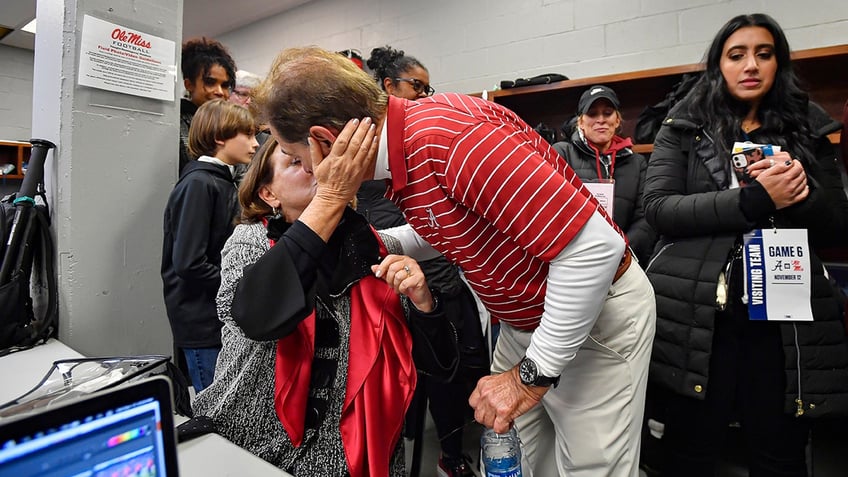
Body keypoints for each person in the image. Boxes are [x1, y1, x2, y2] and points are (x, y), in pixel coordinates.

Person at [253, 46, 656, 477]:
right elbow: (447, 221)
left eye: (298, 158)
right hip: (526, 321)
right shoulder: (408, 145)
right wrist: (381, 244)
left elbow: (593, 250)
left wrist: (530, 376)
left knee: (591, 468)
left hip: (591, 319)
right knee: (509, 461)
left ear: (325, 141)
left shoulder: (451, 140)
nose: (304, 169)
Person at [642, 13, 848, 476]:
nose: (750, 64)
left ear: (780, 64)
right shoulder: (684, 126)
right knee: (689, 452)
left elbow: (838, 224)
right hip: (698, 319)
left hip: (782, 322)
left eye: (764, 53)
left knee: (779, 454)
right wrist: (754, 200)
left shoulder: (809, 128)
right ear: (719, 65)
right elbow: (659, 207)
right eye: (737, 55)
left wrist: (801, 195)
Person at [191, 130, 458, 477]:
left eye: (320, 158)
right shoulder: (251, 242)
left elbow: (441, 365)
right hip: (256, 452)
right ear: (269, 193)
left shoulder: (370, 247)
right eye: (297, 161)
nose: (318, 168)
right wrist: (330, 199)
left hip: (355, 459)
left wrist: (424, 302)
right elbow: (256, 317)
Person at [361, 45, 485, 477]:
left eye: (430, 87)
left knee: (456, 379)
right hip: (399, 290)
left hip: (442, 283)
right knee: (410, 386)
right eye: (418, 86)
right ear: (388, 88)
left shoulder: (422, 147)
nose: (426, 95)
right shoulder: (371, 157)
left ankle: (452, 457)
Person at [162, 99, 258, 393]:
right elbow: (189, 262)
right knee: (213, 410)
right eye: (248, 135)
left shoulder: (220, 182)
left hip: (215, 317)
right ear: (220, 137)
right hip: (201, 322)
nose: (255, 144)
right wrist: (241, 285)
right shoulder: (199, 184)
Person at [552, 85, 656, 265]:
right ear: (580, 122)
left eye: (607, 113)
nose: (601, 120)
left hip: (624, 262)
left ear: (617, 120)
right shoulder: (562, 154)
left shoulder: (637, 163)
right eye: (592, 113)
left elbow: (644, 217)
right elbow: (552, 211)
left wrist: (623, 251)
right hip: (573, 261)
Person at [179, 37, 237, 174]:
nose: (220, 92)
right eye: (210, 82)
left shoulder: (228, 123)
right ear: (189, 85)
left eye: (225, 85)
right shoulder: (178, 125)